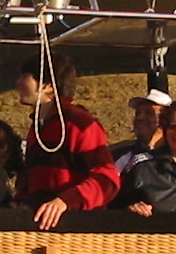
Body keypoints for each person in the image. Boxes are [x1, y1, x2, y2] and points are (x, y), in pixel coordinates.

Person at [15, 52, 119, 229]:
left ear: (47, 85)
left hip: (78, 231)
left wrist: (66, 201)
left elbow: (107, 179)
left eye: (25, 77)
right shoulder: (38, 128)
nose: (18, 82)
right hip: (43, 229)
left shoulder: (80, 124)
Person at [111, 88, 171, 175]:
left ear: (165, 119)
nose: (140, 118)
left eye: (149, 113)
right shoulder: (120, 155)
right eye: (138, 113)